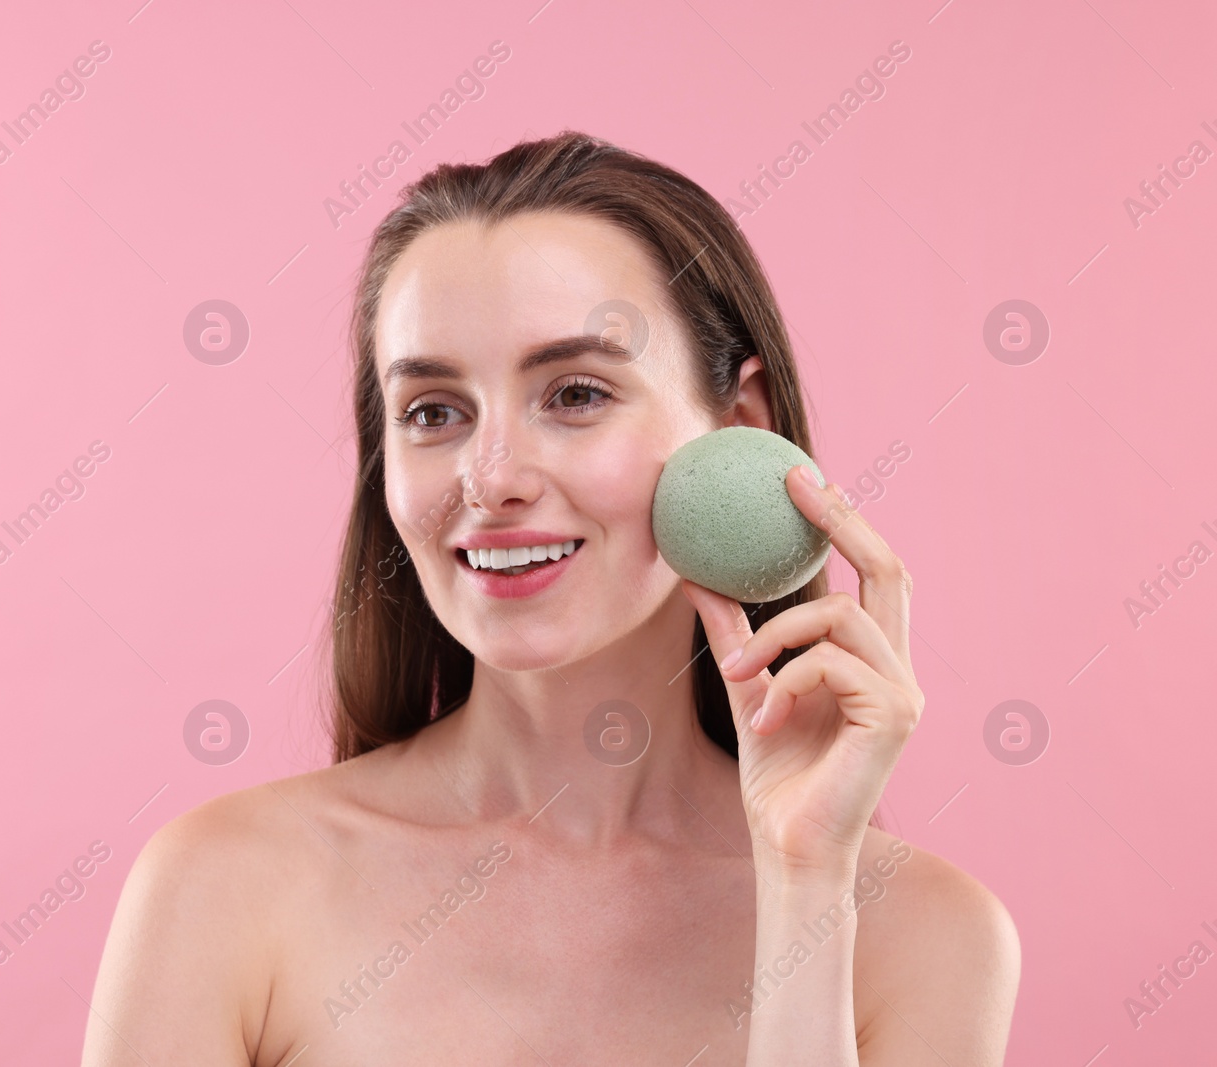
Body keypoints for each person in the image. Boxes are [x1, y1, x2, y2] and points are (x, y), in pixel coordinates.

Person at [81, 130, 1020, 1066]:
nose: (491, 479)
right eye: (432, 412)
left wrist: (806, 881)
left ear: (738, 427)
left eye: (574, 393)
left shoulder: (929, 941)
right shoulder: (223, 889)